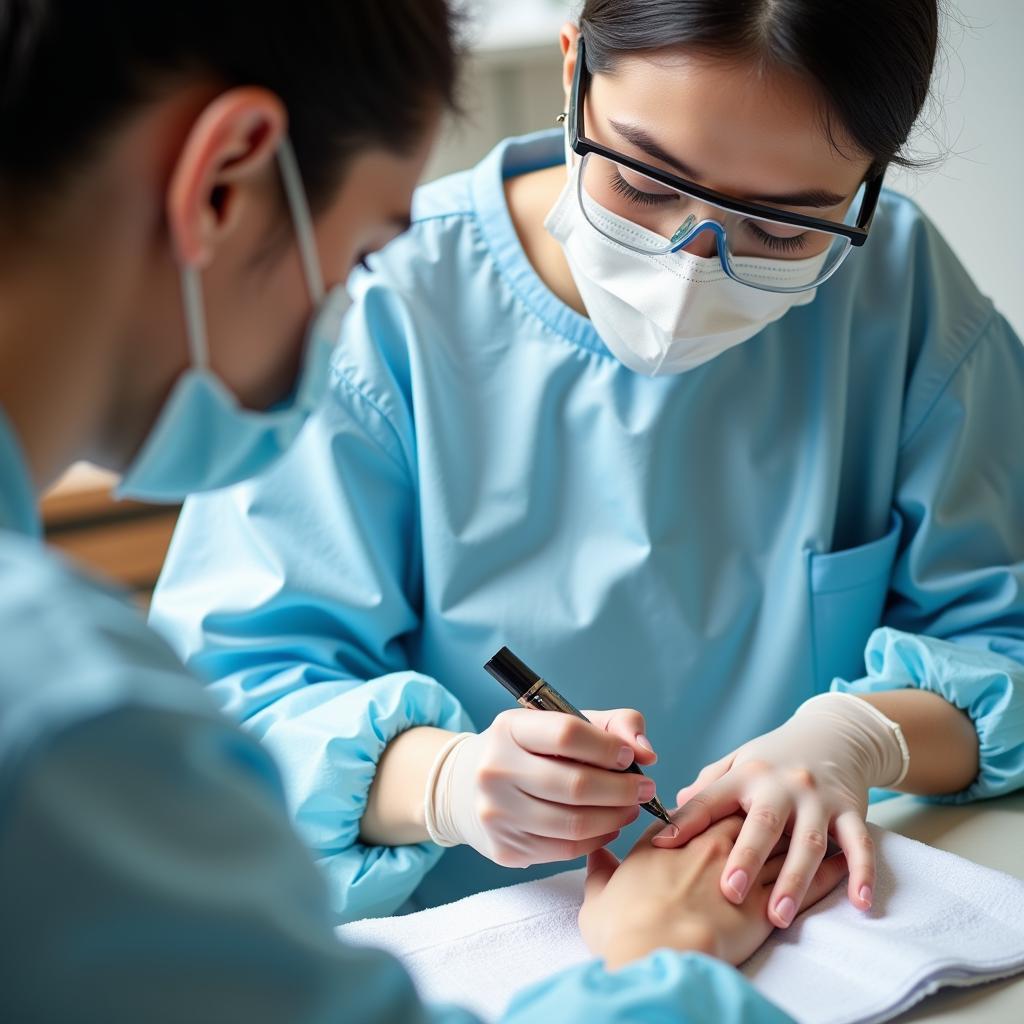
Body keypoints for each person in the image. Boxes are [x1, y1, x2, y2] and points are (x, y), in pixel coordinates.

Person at [1, 2, 833, 1020]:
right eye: (355, 262)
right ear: (225, 177)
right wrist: (659, 963)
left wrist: (856, 734)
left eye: (781, 224)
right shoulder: (56, 718)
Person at [151, 0, 1024, 928]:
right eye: (646, 186)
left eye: (780, 230)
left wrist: (862, 736)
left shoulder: (899, 292)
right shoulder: (381, 306)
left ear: (865, 181)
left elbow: (1002, 637)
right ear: (576, 74)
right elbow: (225, 715)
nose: (690, 268)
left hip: (818, 939)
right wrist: (441, 781)